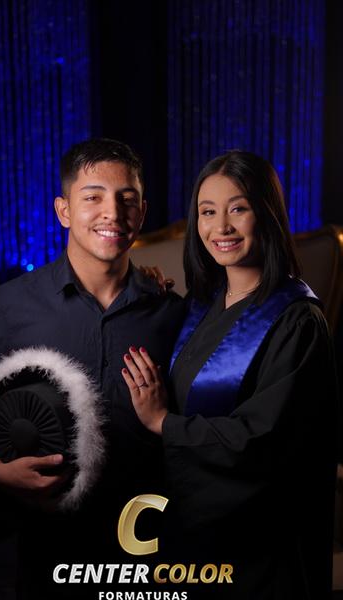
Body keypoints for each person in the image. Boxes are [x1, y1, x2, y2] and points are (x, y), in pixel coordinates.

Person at [0, 138, 185, 598]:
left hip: (150, 544)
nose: (112, 212)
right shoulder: (8, 307)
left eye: (127, 199)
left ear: (142, 212)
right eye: (93, 197)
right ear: (64, 211)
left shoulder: (173, 313)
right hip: (49, 549)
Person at [122, 150, 338, 599]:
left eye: (238, 209)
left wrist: (163, 423)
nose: (220, 227)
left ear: (267, 213)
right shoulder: (201, 308)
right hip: (194, 539)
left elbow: (267, 441)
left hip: (260, 551)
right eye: (207, 212)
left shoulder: (297, 320)